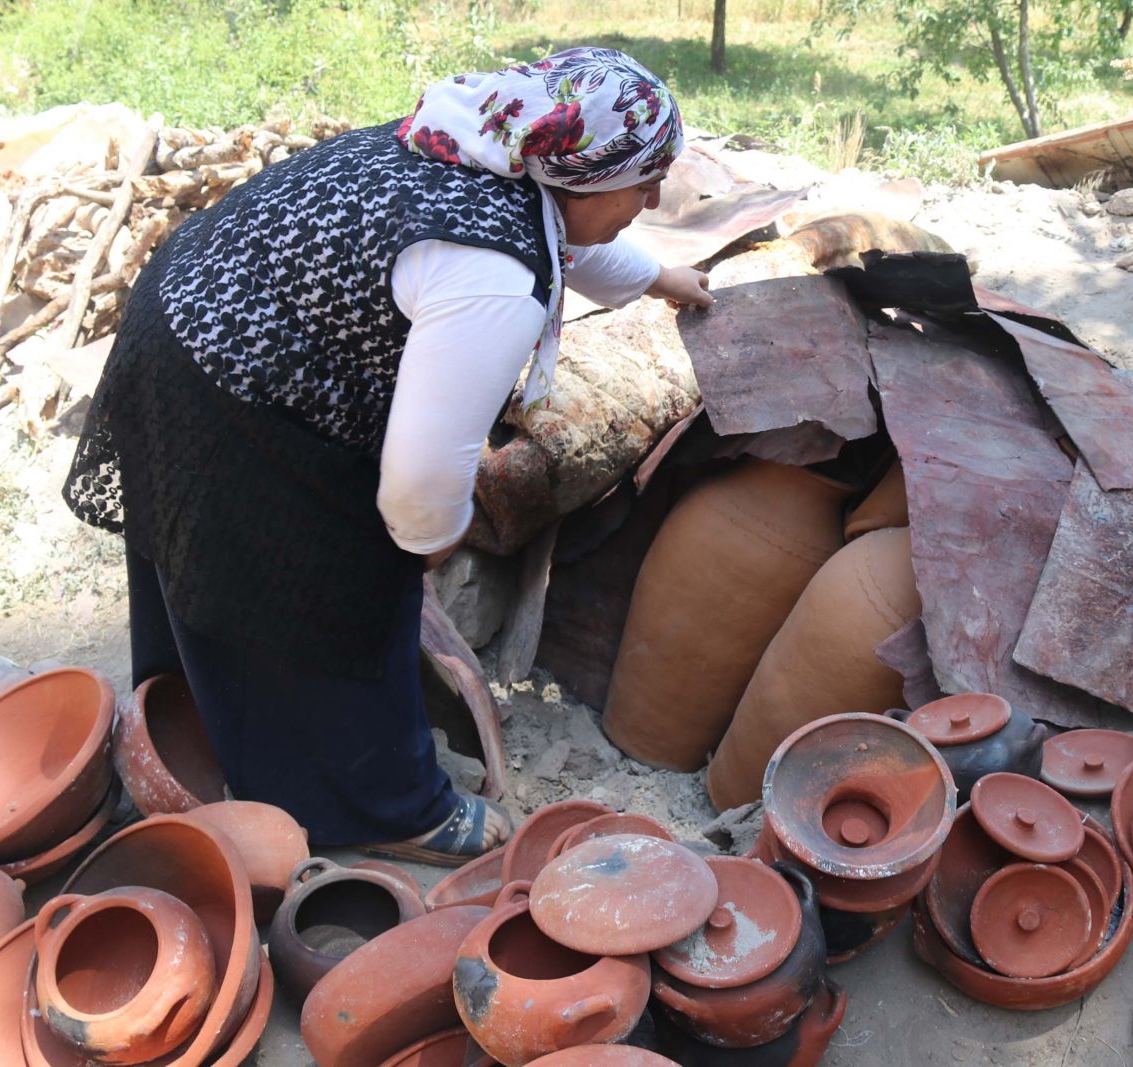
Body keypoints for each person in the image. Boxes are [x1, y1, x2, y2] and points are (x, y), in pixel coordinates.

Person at [63, 47, 713, 865]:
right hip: (234, 385)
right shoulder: (493, 282)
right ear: (579, 174)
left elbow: (569, 235)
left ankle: (196, 710)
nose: (653, 199)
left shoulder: (482, 137)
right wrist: (429, 538)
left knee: (213, 559)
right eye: (643, 182)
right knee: (344, 589)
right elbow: (418, 479)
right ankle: (386, 806)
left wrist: (659, 277)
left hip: (184, 306)